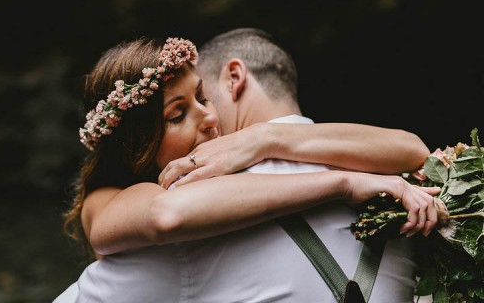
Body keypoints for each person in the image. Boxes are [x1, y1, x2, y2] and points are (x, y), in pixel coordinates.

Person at [55, 35, 437, 302]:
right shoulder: (118, 200)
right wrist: (343, 182)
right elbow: (167, 214)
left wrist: (262, 139)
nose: (209, 115)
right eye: (177, 114)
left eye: (203, 97)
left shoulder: (245, 166)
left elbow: (413, 149)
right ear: (135, 144)